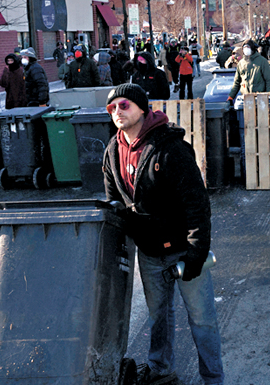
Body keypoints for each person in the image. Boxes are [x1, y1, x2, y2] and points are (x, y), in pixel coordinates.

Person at [103, 84, 224, 384]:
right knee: (158, 316)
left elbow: (196, 202)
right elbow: (113, 206)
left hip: (184, 249)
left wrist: (196, 251)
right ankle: (160, 369)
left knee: (202, 319)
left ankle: (213, 378)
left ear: (142, 109)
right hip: (150, 251)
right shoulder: (112, 151)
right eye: (112, 107)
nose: (118, 111)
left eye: (124, 105)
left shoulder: (170, 148)